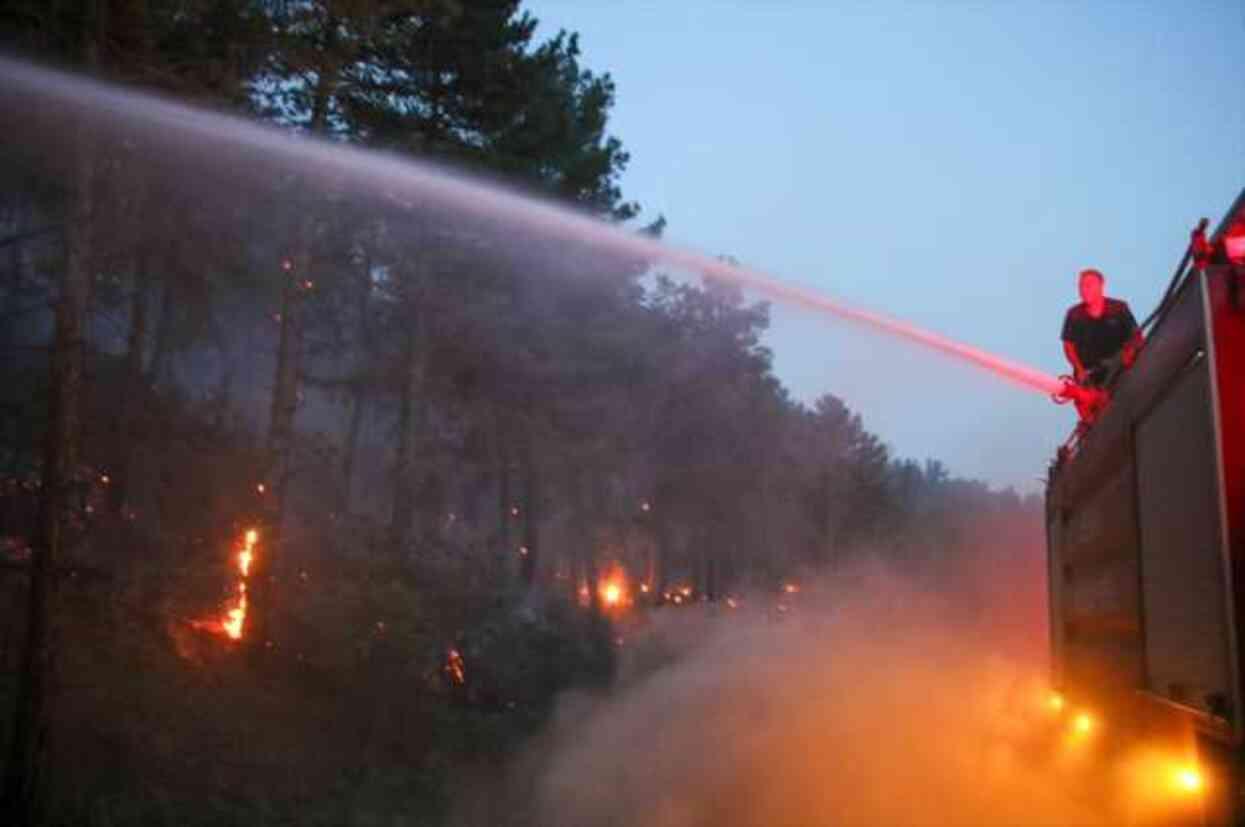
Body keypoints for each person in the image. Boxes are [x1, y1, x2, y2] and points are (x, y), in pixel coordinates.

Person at [1061, 269, 1143, 387]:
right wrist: (1079, 369)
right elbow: (1068, 346)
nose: (1084, 290)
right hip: (1090, 375)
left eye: (1088, 285)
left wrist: (1131, 353)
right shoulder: (1074, 314)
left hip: (1121, 370)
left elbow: (1137, 337)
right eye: (1081, 286)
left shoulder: (1119, 308)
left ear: (1101, 286)